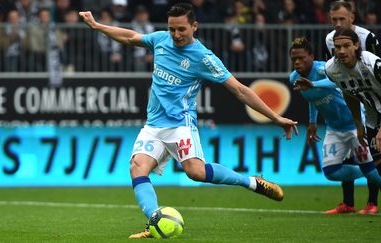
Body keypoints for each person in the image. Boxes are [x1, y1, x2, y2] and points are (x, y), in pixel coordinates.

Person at [79, 3, 298, 238]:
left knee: (195, 172)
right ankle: (154, 220)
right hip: (154, 125)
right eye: (172, 29)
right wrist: (97, 26)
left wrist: (275, 117)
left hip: (180, 124)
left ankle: (251, 182)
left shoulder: (204, 58)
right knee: (137, 167)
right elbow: (131, 36)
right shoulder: (160, 39)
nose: (176, 35)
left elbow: (240, 90)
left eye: (181, 29)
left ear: (194, 26)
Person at [289, 37, 381, 207]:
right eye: (294, 59)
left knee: (373, 172)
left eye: (301, 58)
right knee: (331, 172)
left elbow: (336, 82)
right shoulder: (294, 78)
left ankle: (370, 183)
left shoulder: (324, 69)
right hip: (334, 128)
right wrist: (312, 122)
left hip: (355, 124)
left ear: (311, 56)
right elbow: (312, 98)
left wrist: (314, 84)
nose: (297, 62)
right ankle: (365, 171)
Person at [324, 0, 381, 215]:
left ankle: (372, 202)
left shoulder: (370, 56)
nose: (340, 50)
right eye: (337, 47)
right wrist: (358, 122)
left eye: (345, 46)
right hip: (369, 110)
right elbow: (349, 90)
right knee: (375, 161)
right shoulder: (332, 67)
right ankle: (349, 202)